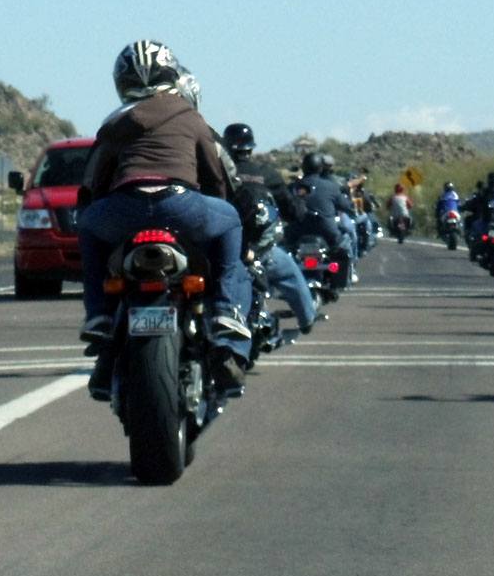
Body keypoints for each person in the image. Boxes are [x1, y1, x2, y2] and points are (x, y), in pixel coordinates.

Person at [78, 40, 251, 395]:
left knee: (88, 226)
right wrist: (211, 209)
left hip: (126, 206)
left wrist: (102, 210)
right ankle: (225, 310)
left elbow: (96, 181)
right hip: (180, 205)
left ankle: (99, 314)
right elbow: (217, 177)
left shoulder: (116, 121)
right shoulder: (190, 116)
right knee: (231, 219)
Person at [222, 122, 318, 333]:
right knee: (291, 275)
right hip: (260, 252)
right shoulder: (267, 174)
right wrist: (300, 206)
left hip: (224, 249)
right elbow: (292, 209)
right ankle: (307, 320)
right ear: (250, 149)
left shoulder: (215, 173)